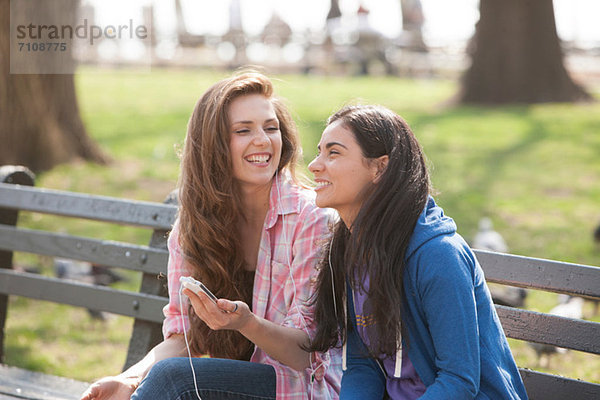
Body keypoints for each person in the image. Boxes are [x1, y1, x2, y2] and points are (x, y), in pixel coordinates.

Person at [80, 72, 341, 400]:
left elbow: (305, 355)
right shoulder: (194, 228)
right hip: (224, 391)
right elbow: (184, 338)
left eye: (270, 127)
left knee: (174, 380)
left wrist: (247, 324)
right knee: (169, 379)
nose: (262, 140)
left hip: (301, 389)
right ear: (213, 145)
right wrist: (130, 379)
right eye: (243, 130)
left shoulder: (311, 220)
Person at [307, 104, 528, 399]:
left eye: (333, 153)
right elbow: (363, 364)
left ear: (379, 168)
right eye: (319, 151)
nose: (314, 165)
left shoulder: (438, 255)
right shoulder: (351, 250)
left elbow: (459, 380)